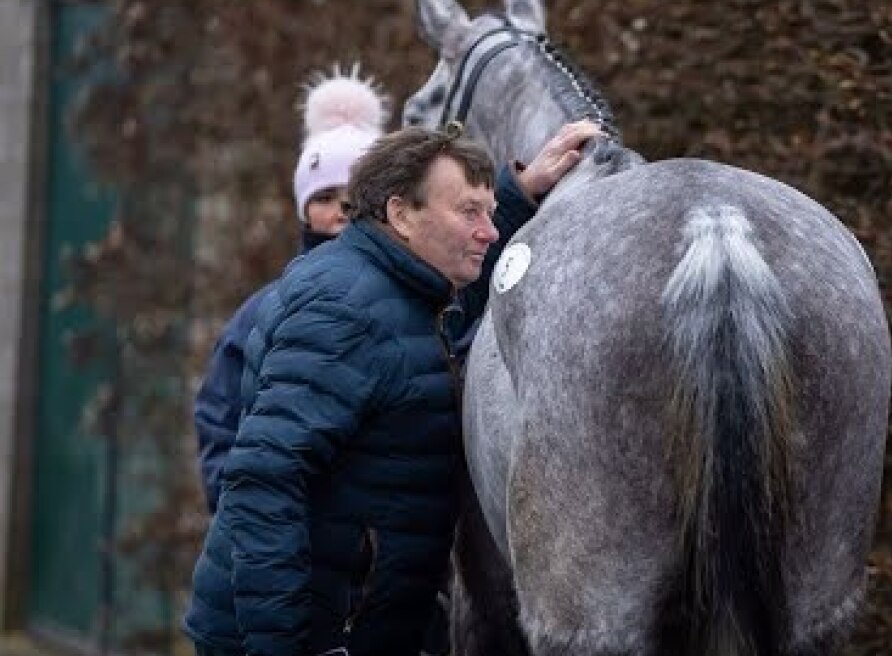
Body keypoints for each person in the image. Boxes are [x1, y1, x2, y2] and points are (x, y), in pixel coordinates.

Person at [183, 119, 603, 656]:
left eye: (491, 214)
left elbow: (415, 335)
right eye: (469, 213)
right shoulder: (341, 310)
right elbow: (266, 482)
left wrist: (519, 193)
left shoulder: (393, 294)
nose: (491, 232)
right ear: (401, 214)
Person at [194, 67, 388, 513]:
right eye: (322, 198)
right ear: (303, 212)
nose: (340, 210)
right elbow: (218, 419)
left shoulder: (428, 300)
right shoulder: (262, 313)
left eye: (353, 195)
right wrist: (245, 516)